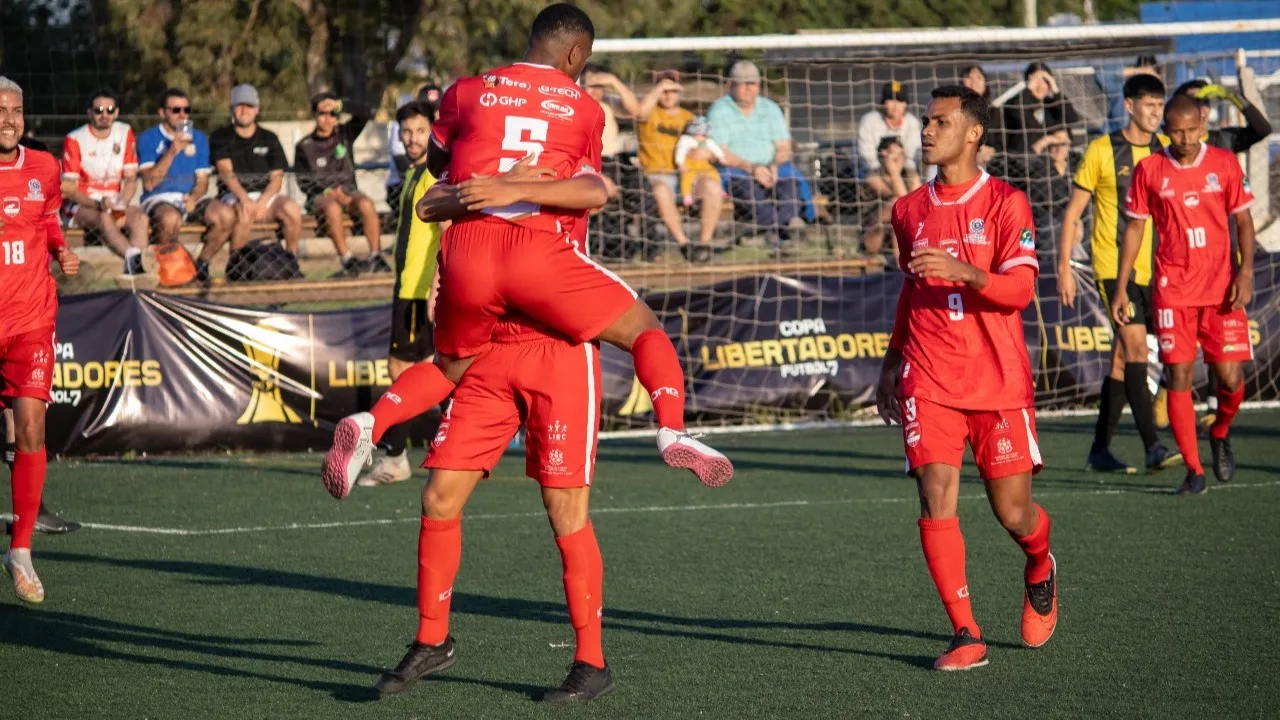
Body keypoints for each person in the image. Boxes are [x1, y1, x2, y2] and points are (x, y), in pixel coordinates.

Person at [322, 3, 732, 497]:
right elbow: (594, 191)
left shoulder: (466, 91)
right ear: (576, 53)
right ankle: (671, 430)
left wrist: (488, 184)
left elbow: (430, 189)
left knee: (446, 368)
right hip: (540, 262)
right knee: (646, 330)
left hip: (468, 259)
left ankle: (372, 421)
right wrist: (517, 189)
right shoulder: (583, 108)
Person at [876, 85, 1058, 671]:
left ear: (973, 132)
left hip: (996, 380)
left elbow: (1021, 291)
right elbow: (911, 290)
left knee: (1013, 515)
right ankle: (965, 632)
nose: (926, 131)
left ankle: (1039, 563)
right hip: (927, 377)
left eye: (940, 122)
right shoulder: (908, 210)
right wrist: (891, 360)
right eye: (925, 122)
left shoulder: (1007, 202)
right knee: (935, 494)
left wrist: (967, 272)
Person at [365, 312, 615, 701]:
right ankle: (432, 641)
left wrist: (668, 417)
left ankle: (592, 663)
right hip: (490, 350)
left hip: (557, 349)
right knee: (438, 496)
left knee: (564, 510)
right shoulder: (456, 248)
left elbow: (635, 322)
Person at [1110, 94, 1256, 495]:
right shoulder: (1150, 170)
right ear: (1165, 130)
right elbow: (1136, 230)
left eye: (1192, 131)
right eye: (1177, 131)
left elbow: (1243, 222)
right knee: (1178, 374)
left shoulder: (1224, 164)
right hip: (1173, 290)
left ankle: (1220, 430)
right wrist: (1121, 287)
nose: (1186, 139)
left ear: (1203, 125)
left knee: (1230, 379)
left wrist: (1244, 271)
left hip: (1221, 289)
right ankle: (1194, 471)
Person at [1058, 74, 1182, 474]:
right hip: (1114, 268)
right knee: (1135, 352)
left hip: (1155, 269)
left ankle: (1099, 449)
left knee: (1119, 364)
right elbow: (1073, 213)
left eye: (1160, 106)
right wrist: (1063, 266)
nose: (1155, 113)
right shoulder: (1101, 149)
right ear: (1129, 106)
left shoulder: (1166, 150)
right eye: (1149, 105)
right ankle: (1153, 446)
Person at [0, 77, 82, 603]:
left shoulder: (44, 168)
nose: (9, 118)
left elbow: (49, 221)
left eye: (16, 110)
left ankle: (21, 550)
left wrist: (62, 251)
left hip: (31, 322)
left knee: (30, 428)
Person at [1172, 78, 1272, 428]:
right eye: (1190, 102)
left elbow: (1263, 128)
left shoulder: (1224, 143)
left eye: (1204, 103)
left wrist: (1236, 96)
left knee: (1228, 369)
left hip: (1223, 261)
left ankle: (1218, 420)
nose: (1198, 110)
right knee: (1177, 358)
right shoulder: (1169, 151)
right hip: (1181, 267)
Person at [359, 101, 445, 487]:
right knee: (427, 372)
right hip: (408, 286)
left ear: (434, 130)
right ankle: (459, 441)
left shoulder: (434, 173)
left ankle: (396, 458)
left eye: (419, 131)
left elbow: (447, 229)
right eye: (406, 131)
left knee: (405, 372)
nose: (412, 138)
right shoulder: (413, 171)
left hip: (419, 290)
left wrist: (436, 286)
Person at [707, 60, 806, 256]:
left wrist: (774, 165)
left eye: (751, 83)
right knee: (749, 191)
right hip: (737, 169)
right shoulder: (719, 110)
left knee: (792, 186)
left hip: (771, 166)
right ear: (731, 85)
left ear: (759, 85)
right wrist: (752, 168)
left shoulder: (770, 108)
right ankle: (778, 235)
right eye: (741, 83)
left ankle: (776, 233)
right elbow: (721, 152)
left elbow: (784, 146)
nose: (747, 89)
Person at [138, 88, 236, 284]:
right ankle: (171, 273)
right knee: (169, 219)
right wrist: (172, 151)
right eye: (176, 110)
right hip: (159, 198)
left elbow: (202, 180)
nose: (182, 115)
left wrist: (193, 197)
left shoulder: (198, 138)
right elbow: (149, 182)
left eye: (186, 109)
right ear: (162, 113)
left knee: (226, 215)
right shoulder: (148, 138)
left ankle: (201, 265)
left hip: (189, 198)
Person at [294, 92, 390, 276]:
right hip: (321, 196)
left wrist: (339, 103)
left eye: (332, 114)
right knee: (332, 208)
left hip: (349, 191)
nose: (327, 119)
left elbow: (367, 111)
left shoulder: (344, 134)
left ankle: (376, 256)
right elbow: (303, 182)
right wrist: (329, 191)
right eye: (322, 113)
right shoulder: (304, 146)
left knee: (366, 204)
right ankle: (347, 259)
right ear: (314, 115)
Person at [60, 88, 150, 276]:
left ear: (116, 112)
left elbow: (131, 180)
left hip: (114, 202)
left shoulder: (124, 132)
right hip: (82, 204)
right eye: (99, 110)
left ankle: (133, 269)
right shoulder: (75, 138)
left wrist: (121, 203)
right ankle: (135, 265)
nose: (104, 115)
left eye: (110, 110)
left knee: (141, 218)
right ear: (89, 113)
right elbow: (69, 189)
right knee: (104, 217)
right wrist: (99, 204)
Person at [635, 71, 723, 260]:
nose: (668, 95)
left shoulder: (689, 118)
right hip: (658, 174)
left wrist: (707, 153)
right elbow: (640, 112)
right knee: (660, 190)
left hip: (688, 174)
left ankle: (704, 244)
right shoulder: (649, 114)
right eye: (664, 90)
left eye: (672, 90)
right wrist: (659, 88)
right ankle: (684, 244)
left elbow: (708, 145)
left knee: (713, 187)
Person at [209, 84, 302, 258]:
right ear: (232, 109)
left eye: (249, 106)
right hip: (234, 196)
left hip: (266, 198)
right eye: (239, 105)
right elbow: (226, 173)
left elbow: (277, 178)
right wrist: (245, 199)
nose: (244, 110)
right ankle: (236, 267)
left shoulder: (269, 138)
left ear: (257, 109)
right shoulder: (220, 136)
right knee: (244, 214)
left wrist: (262, 201)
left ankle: (291, 261)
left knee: (292, 208)